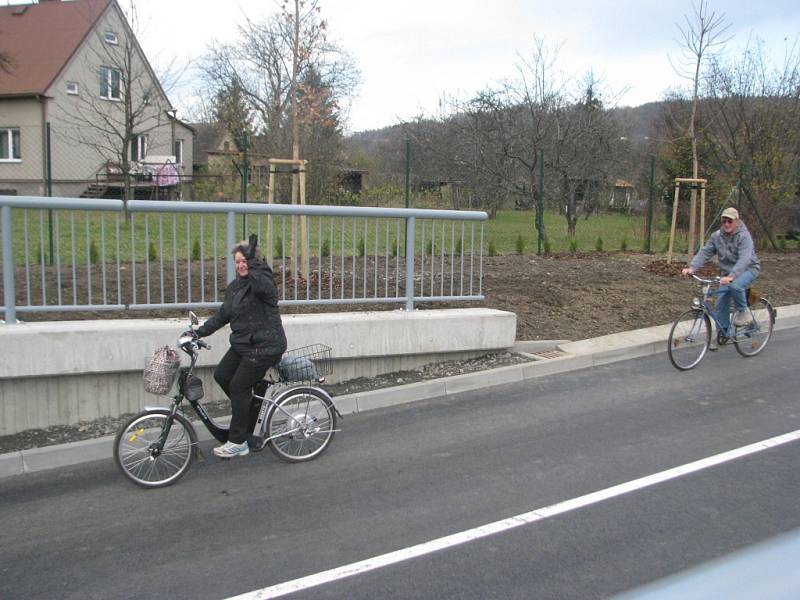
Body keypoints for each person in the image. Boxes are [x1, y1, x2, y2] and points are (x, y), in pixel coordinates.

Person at [192, 234, 287, 458]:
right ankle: (250, 410)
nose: (241, 265)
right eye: (238, 262)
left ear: (254, 261)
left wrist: (254, 261)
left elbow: (264, 288)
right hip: (245, 345)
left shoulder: (263, 281)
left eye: (245, 261)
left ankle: (238, 441)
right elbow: (223, 315)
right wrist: (198, 333)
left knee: (238, 386)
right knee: (222, 375)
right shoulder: (235, 287)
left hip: (266, 346)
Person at [681, 207, 761, 338]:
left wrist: (732, 276)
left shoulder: (744, 236)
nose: (727, 224)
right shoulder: (717, 236)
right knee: (720, 303)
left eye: (730, 221)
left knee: (736, 286)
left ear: (737, 221)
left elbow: (744, 259)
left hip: (749, 269)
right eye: (724, 221)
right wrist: (692, 268)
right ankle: (724, 333)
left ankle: (743, 312)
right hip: (728, 273)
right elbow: (705, 252)